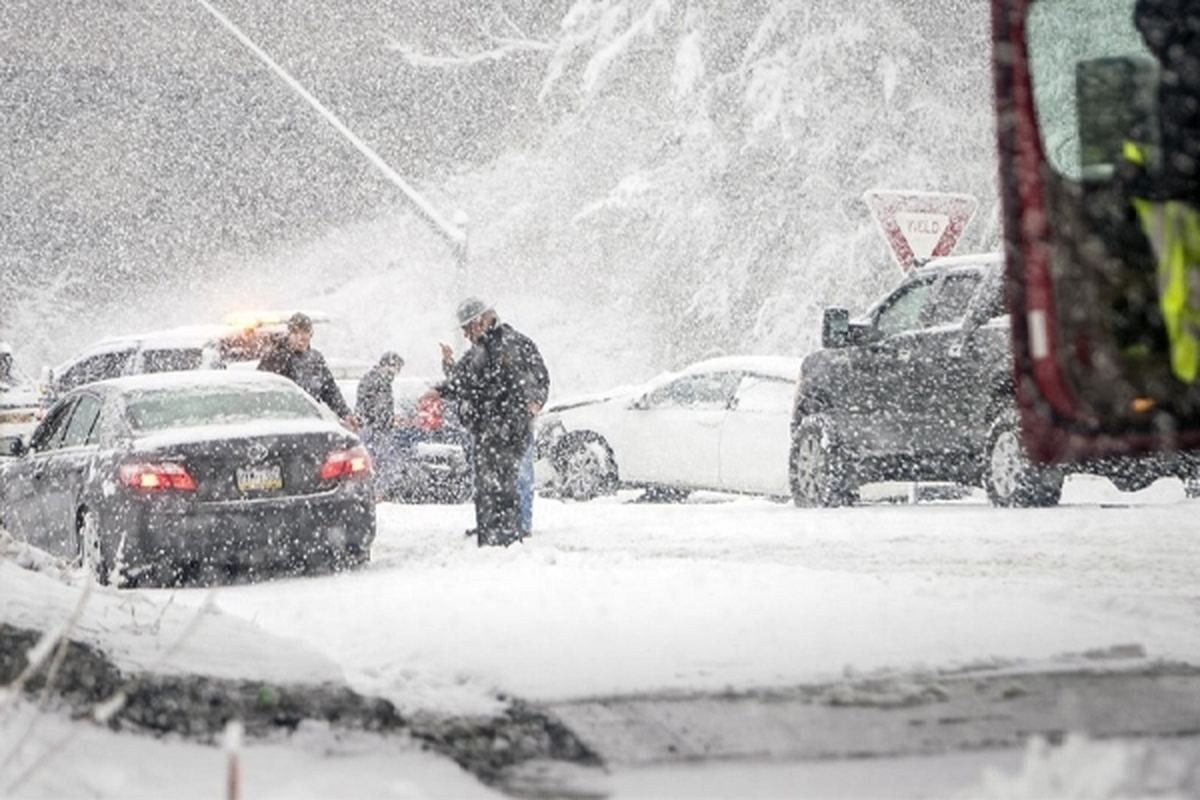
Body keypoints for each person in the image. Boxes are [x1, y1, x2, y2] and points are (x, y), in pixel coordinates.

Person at [424, 298, 549, 547]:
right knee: (490, 486)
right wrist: (442, 388)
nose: (466, 335)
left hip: (505, 429)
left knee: (505, 483)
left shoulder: (509, 345)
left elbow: (535, 378)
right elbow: (463, 380)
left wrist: (534, 402)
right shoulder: (481, 350)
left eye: (467, 328)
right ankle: (494, 533)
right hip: (489, 429)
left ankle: (506, 535)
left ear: (480, 321)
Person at [440, 340, 537, 535]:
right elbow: (460, 379)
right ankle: (493, 522)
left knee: (520, 475)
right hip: (488, 428)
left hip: (513, 427)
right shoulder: (480, 358)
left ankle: (522, 523)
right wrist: (449, 362)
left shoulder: (515, 365)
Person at [258, 313, 359, 430]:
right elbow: (263, 390)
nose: (301, 338)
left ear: (310, 335)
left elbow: (329, 390)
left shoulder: (315, 359)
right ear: (289, 334)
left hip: (311, 422)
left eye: (305, 333)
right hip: (283, 424)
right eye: (296, 333)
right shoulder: (275, 358)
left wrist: (345, 413)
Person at [356, 352, 405, 498]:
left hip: (371, 427)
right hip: (375, 429)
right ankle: (377, 492)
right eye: (397, 368)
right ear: (389, 366)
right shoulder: (379, 381)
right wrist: (390, 420)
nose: (398, 373)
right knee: (386, 462)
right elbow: (376, 409)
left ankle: (373, 491)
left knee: (374, 461)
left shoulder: (373, 378)